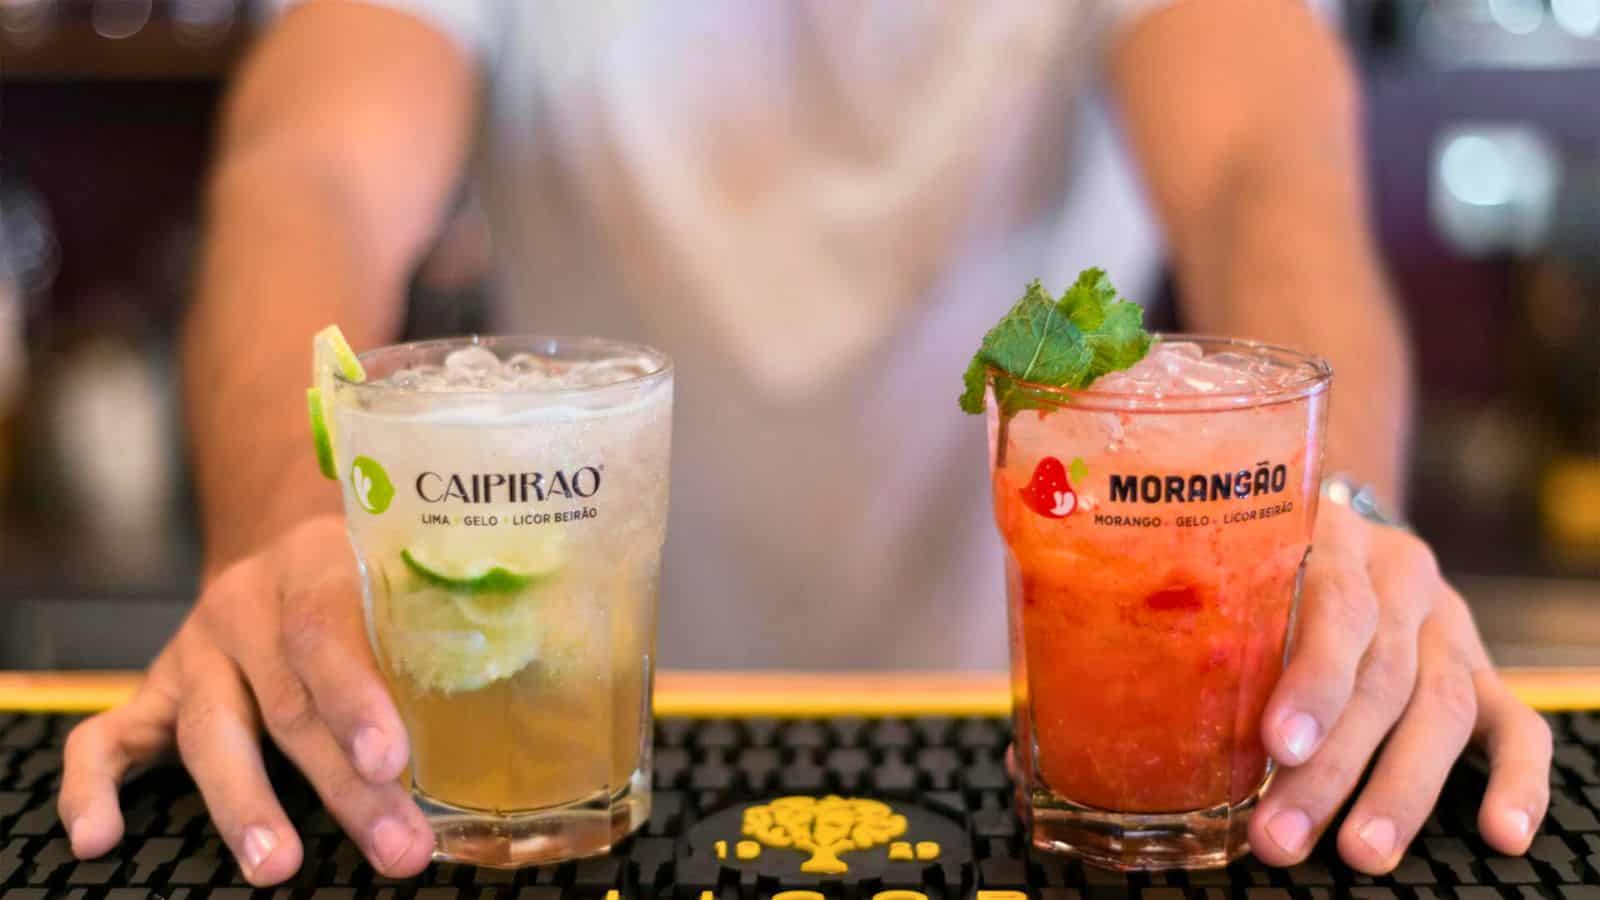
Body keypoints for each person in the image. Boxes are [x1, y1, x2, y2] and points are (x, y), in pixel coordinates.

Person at [57, 0, 1551, 886]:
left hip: (1057, 777)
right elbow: (307, 165)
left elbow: (1263, 169)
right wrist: (288, 533)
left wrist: (1331, 519)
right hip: (548, 771)